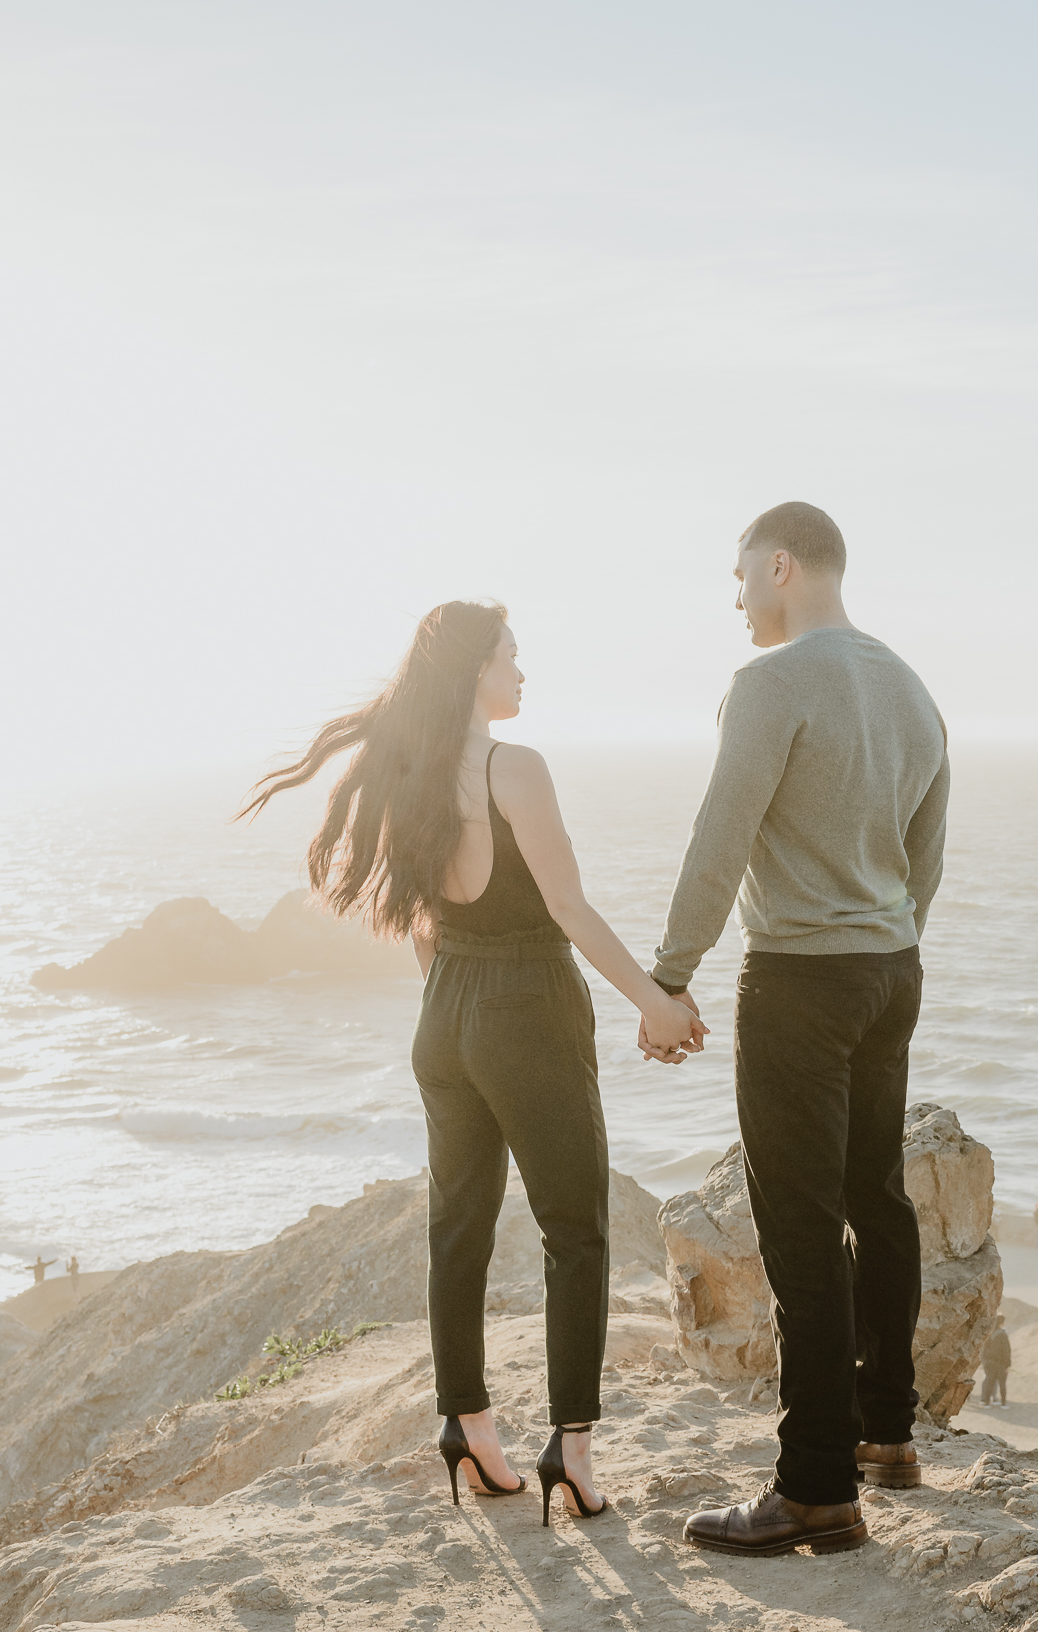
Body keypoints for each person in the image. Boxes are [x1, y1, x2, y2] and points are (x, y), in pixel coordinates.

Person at [238, 599, 700, 1527]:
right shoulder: (513, 769)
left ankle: (468, 1427)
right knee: (577, 1232)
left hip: (443, 1014)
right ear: (474, 673)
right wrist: (654, 999)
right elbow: (567, 908)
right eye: (511, 657)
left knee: (461, 1228)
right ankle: (571, 1448)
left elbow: (422, 922)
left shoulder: (414, 776)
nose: (523, 673)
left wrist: (453, 1006)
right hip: (526, 1010)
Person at [651, 503, 951, 1560]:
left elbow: (719, 835)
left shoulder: (768, 686)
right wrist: (886, 939)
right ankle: (887, 1433)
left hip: (799, 982)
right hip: (890, 968)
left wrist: (669, 975)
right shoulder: (910, 687)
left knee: (800, 1228)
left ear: (781, 565)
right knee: (879, 1196)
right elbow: (926, 854)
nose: (736, 600)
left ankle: (814, 1485)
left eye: (740, 577)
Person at [978, 1326, 1013, 1406]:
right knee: (1002, 1384)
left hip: (989, 1362)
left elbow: (984, 1349)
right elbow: (1006, 1351)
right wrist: (1007, 1364)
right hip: (1000, 1363)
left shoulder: (989, 1333)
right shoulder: (1003, 1335)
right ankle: (1003, 1403)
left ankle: (986, 1402)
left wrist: (985, 1361)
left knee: (989, 1381)